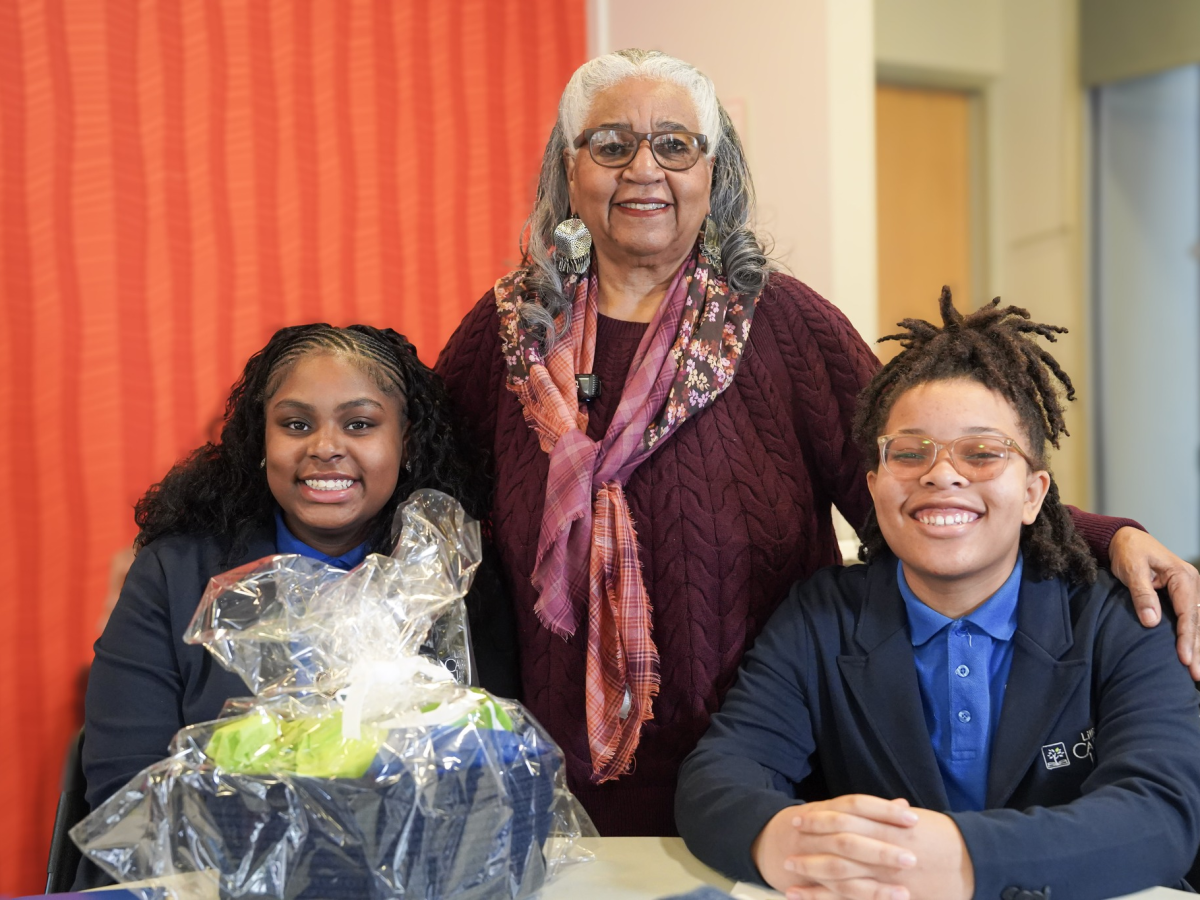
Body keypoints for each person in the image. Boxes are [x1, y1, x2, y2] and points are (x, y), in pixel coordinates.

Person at [435, 48, 1199, 836]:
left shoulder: (786, 327)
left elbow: (925, 483)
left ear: (712, 169)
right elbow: (420, 515)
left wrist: (1107, 538)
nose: (644, 169)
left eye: (674, 144)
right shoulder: (508, 338)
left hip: (769, 785)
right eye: (611, 144)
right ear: (571, 167)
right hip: (543, 795)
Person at [675, 293, 1200, 900]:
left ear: (1034, 494)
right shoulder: (821, 616)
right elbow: (718, 776)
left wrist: (961, 858)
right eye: (909, 452)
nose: (942, 474)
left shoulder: (1119, 616)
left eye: (981, 453)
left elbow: (1163, 814)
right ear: (873, 488)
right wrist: (775, 834)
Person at [79, 324, 519, 882]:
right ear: (260, 443)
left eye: (360, 424)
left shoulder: (454, 577)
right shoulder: (175, 575)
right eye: (295, 424)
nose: (325, 447)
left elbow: (496, 783)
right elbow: (125, 786)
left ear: (406, 441)